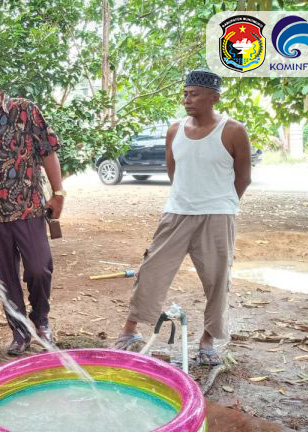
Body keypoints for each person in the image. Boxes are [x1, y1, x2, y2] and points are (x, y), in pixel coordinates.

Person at [112, 69, 251, 366]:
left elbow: (243, 178)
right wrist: (186, 199)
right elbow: (174, 172)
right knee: (151, 270)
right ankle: (130, 331)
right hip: (176, 213)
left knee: (217, 280)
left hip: (217, 216)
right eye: (185, 93)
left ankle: (208, 340)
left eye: (194, 94)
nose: (187, 99)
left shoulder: (233, 131)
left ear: (214, 97)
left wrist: (223, 204)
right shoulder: (174, 130)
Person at [0, 61, 65, 356]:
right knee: (5, 278)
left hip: (29, 209)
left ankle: (41, 321)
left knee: (39, 268)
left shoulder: (26, 110)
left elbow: (48, 151)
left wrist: (58, 193)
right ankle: (20, 332)